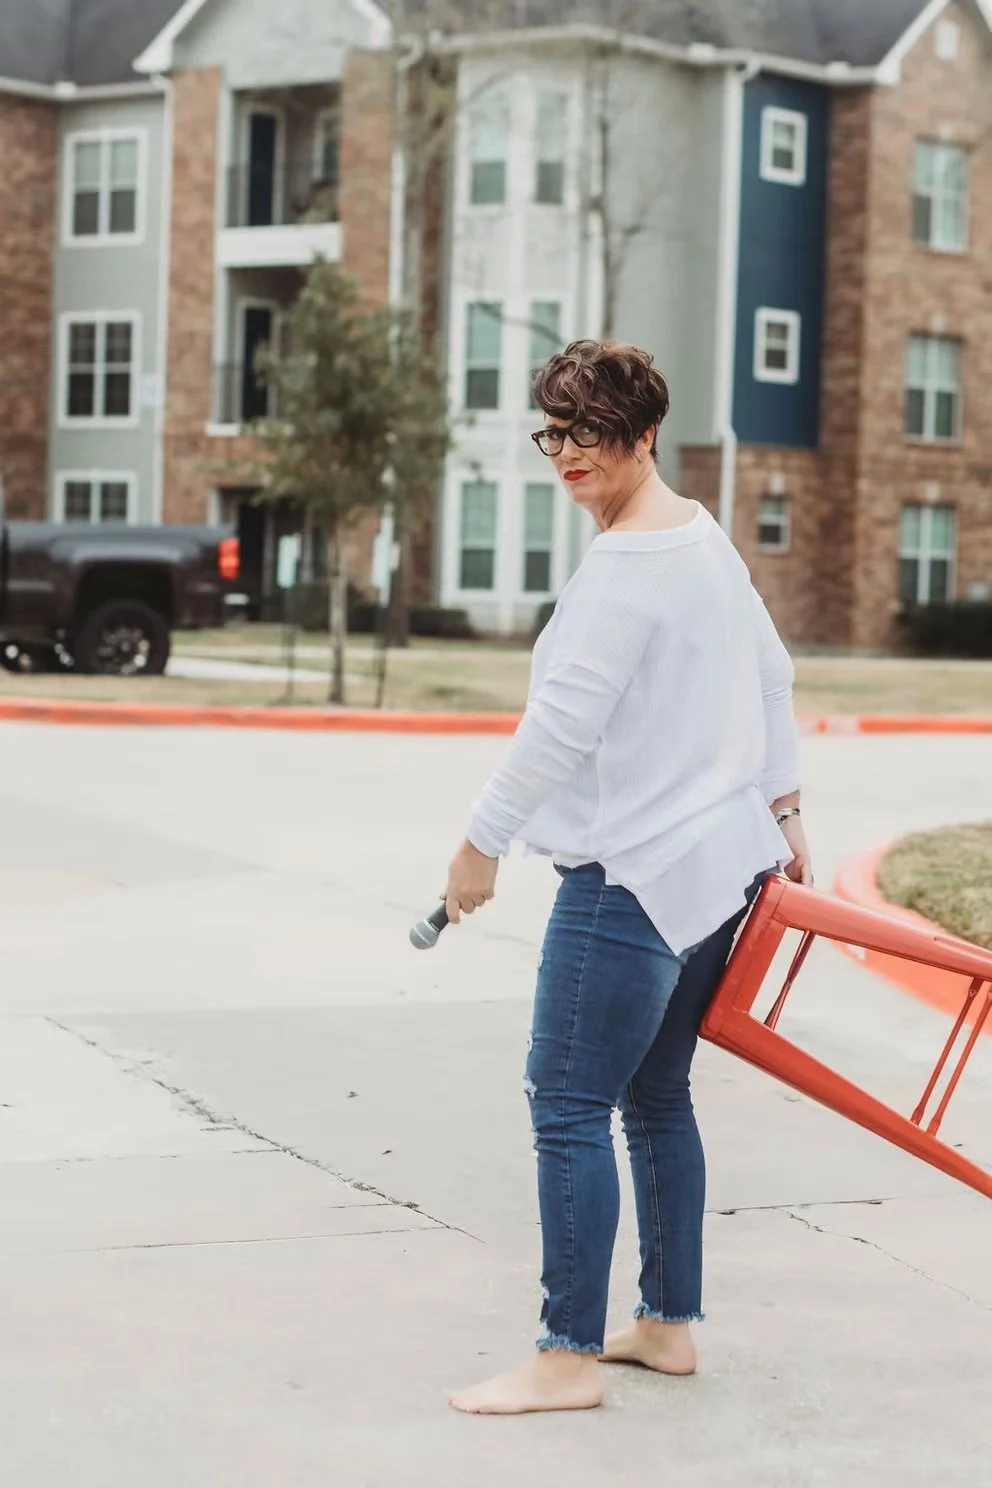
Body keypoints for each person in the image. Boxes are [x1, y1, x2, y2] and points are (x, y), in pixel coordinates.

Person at [443, 340, 812, 1417]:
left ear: (643, 433)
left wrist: (479, 843)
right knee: (654, 1098)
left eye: (591, 433)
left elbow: (558, 729)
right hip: (714, 876)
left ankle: (564, 1356)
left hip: (631, 882)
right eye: (554, 433)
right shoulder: (698, 535)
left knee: (567, 1104)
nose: (569, 454)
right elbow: (773, 674)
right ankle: (664, 1326)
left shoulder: (622, 572)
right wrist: (785, 813)